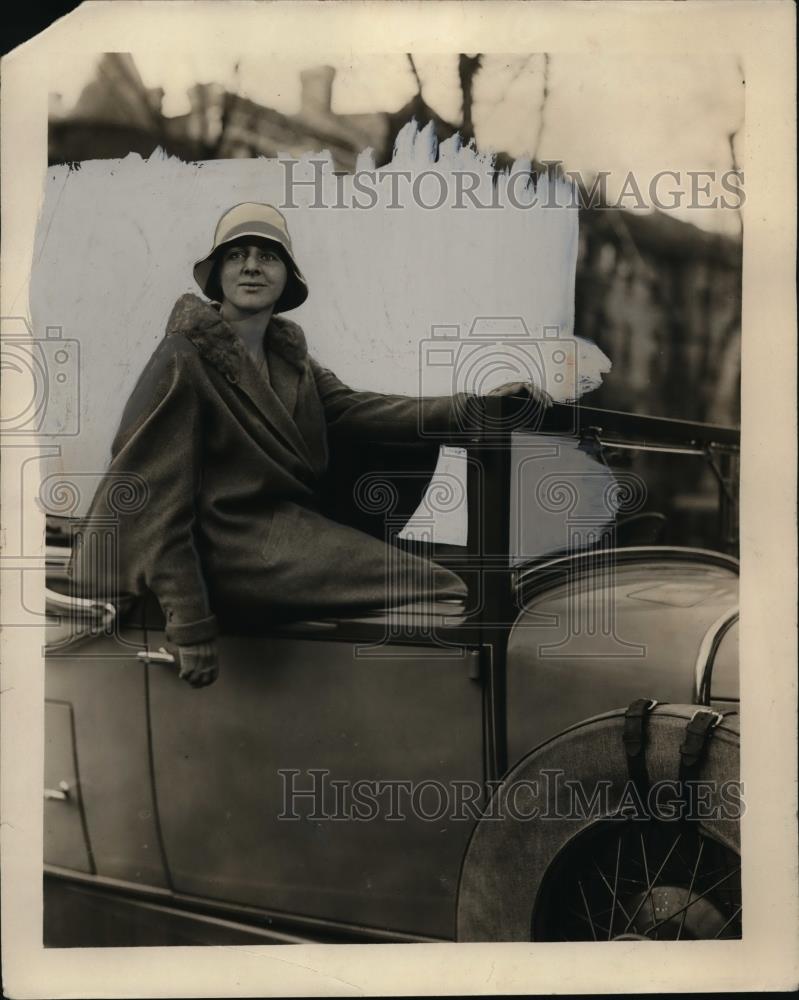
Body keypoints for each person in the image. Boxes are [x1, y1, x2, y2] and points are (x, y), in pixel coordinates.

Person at [70, 203, 550, 688]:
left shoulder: (287, 356)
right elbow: (153, 497)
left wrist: (475, 408)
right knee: (439, 585)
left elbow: (354, 408)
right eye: (236, 255)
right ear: (217, 275)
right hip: (225, 547)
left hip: (282, 531)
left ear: (287, 277)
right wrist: (189, 622)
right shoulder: (183, 356)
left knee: (446, 574)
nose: (252, 267)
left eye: (268, 256)